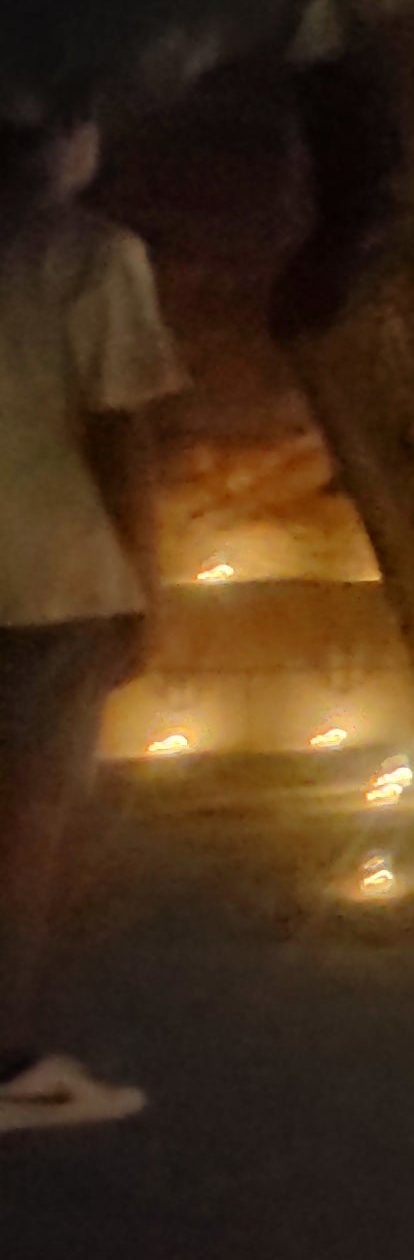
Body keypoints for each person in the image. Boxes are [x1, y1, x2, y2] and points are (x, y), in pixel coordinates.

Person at [0, 98, 175, 1143]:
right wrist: (150, 580)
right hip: (51, 578)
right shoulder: (92, 257)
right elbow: (122, 434)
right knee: (26, 829)